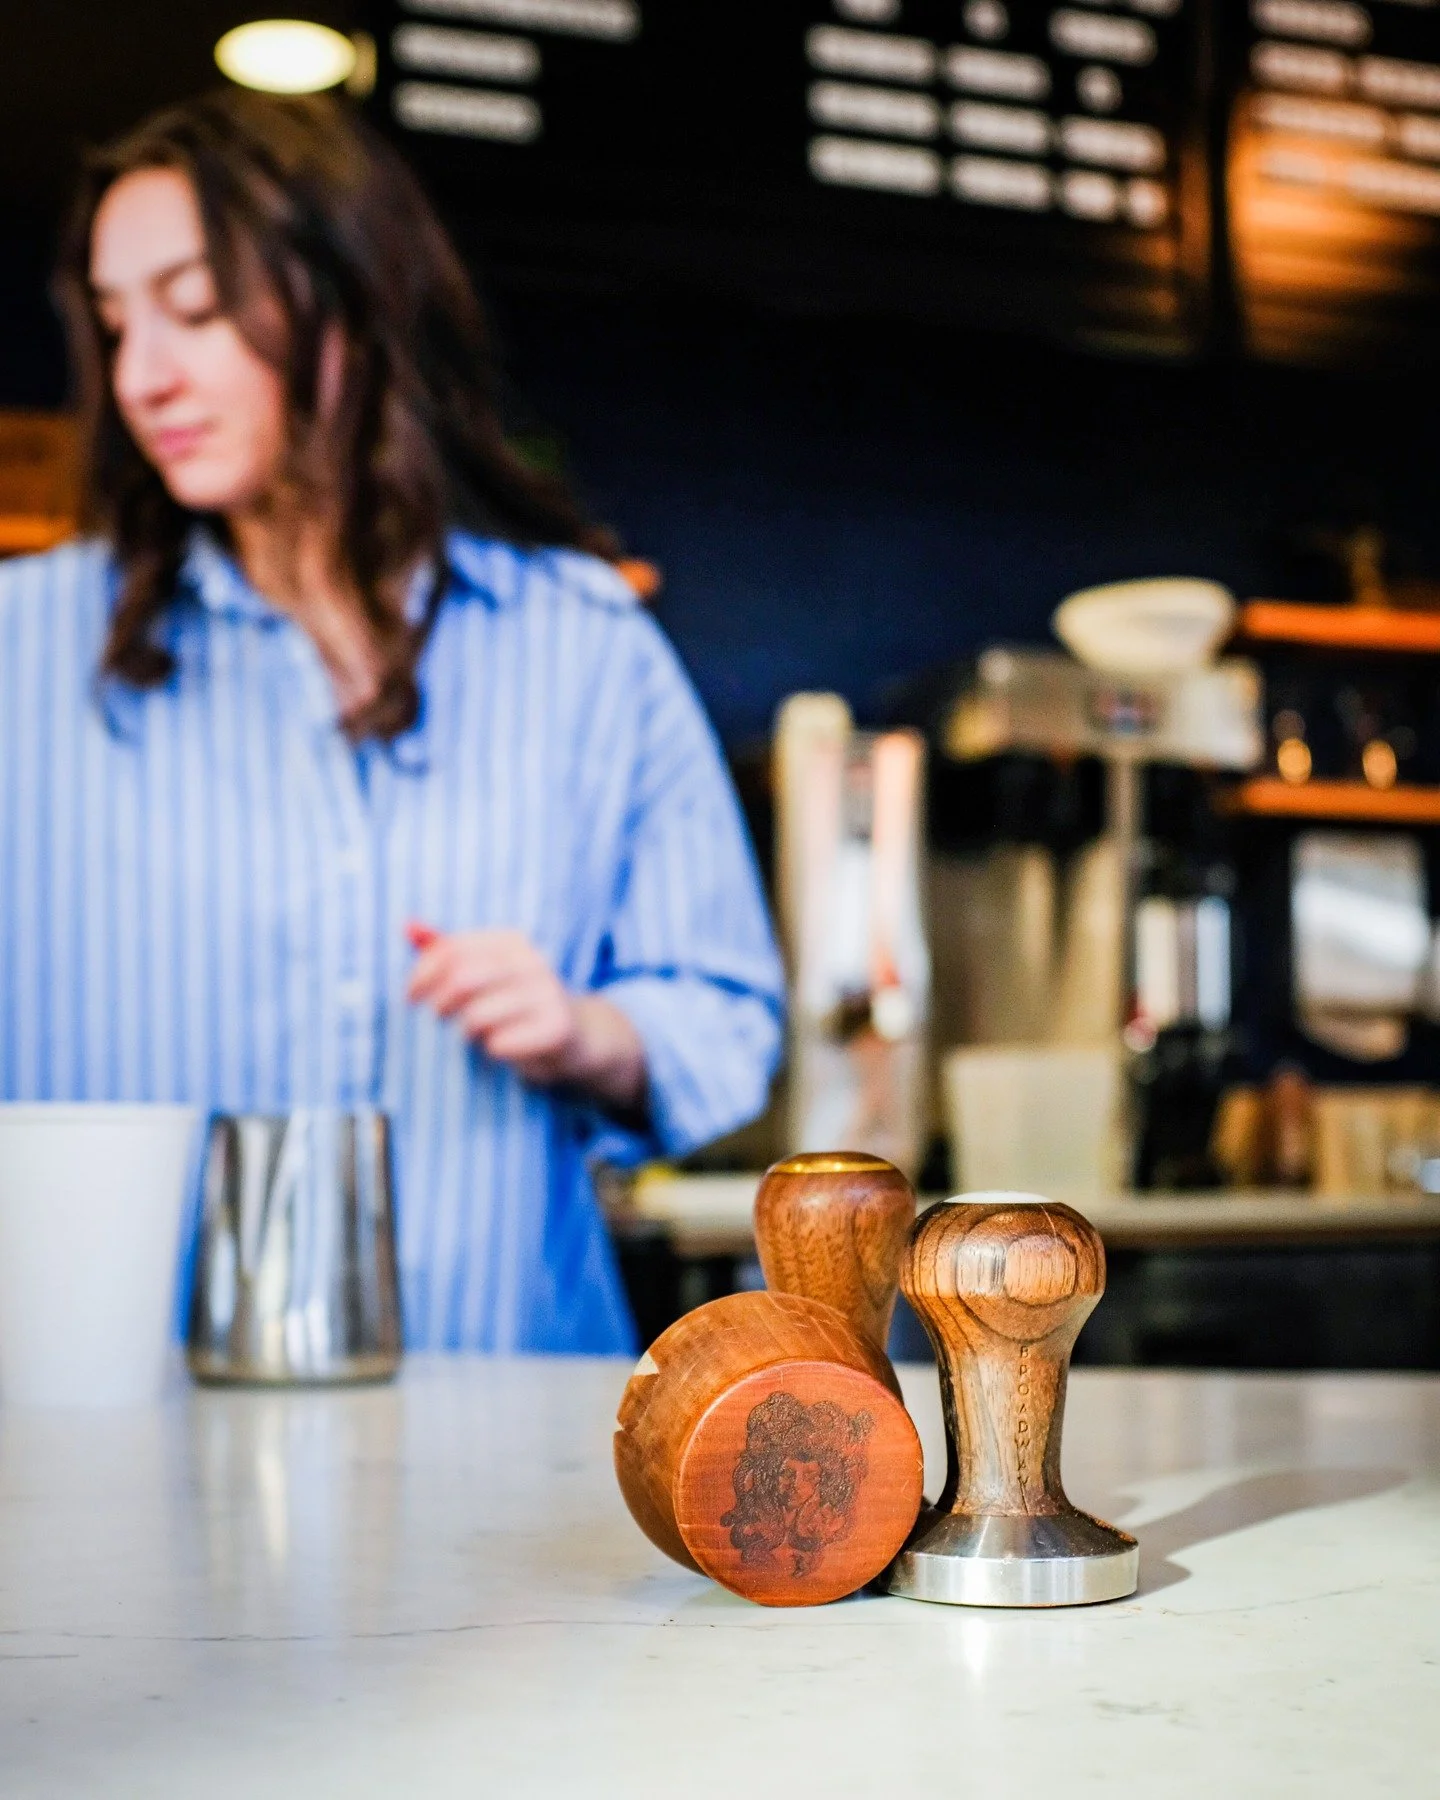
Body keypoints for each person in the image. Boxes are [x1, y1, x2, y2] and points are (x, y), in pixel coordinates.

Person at [0, 89, 784, 1353]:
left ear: (350, 307)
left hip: (515, 1443)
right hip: (106, 1457)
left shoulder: (580, 645)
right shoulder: (19, 652)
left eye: (195, 309)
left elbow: (728, 1013)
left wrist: (587, 1033)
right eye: (113, 322)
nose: (142, 377)